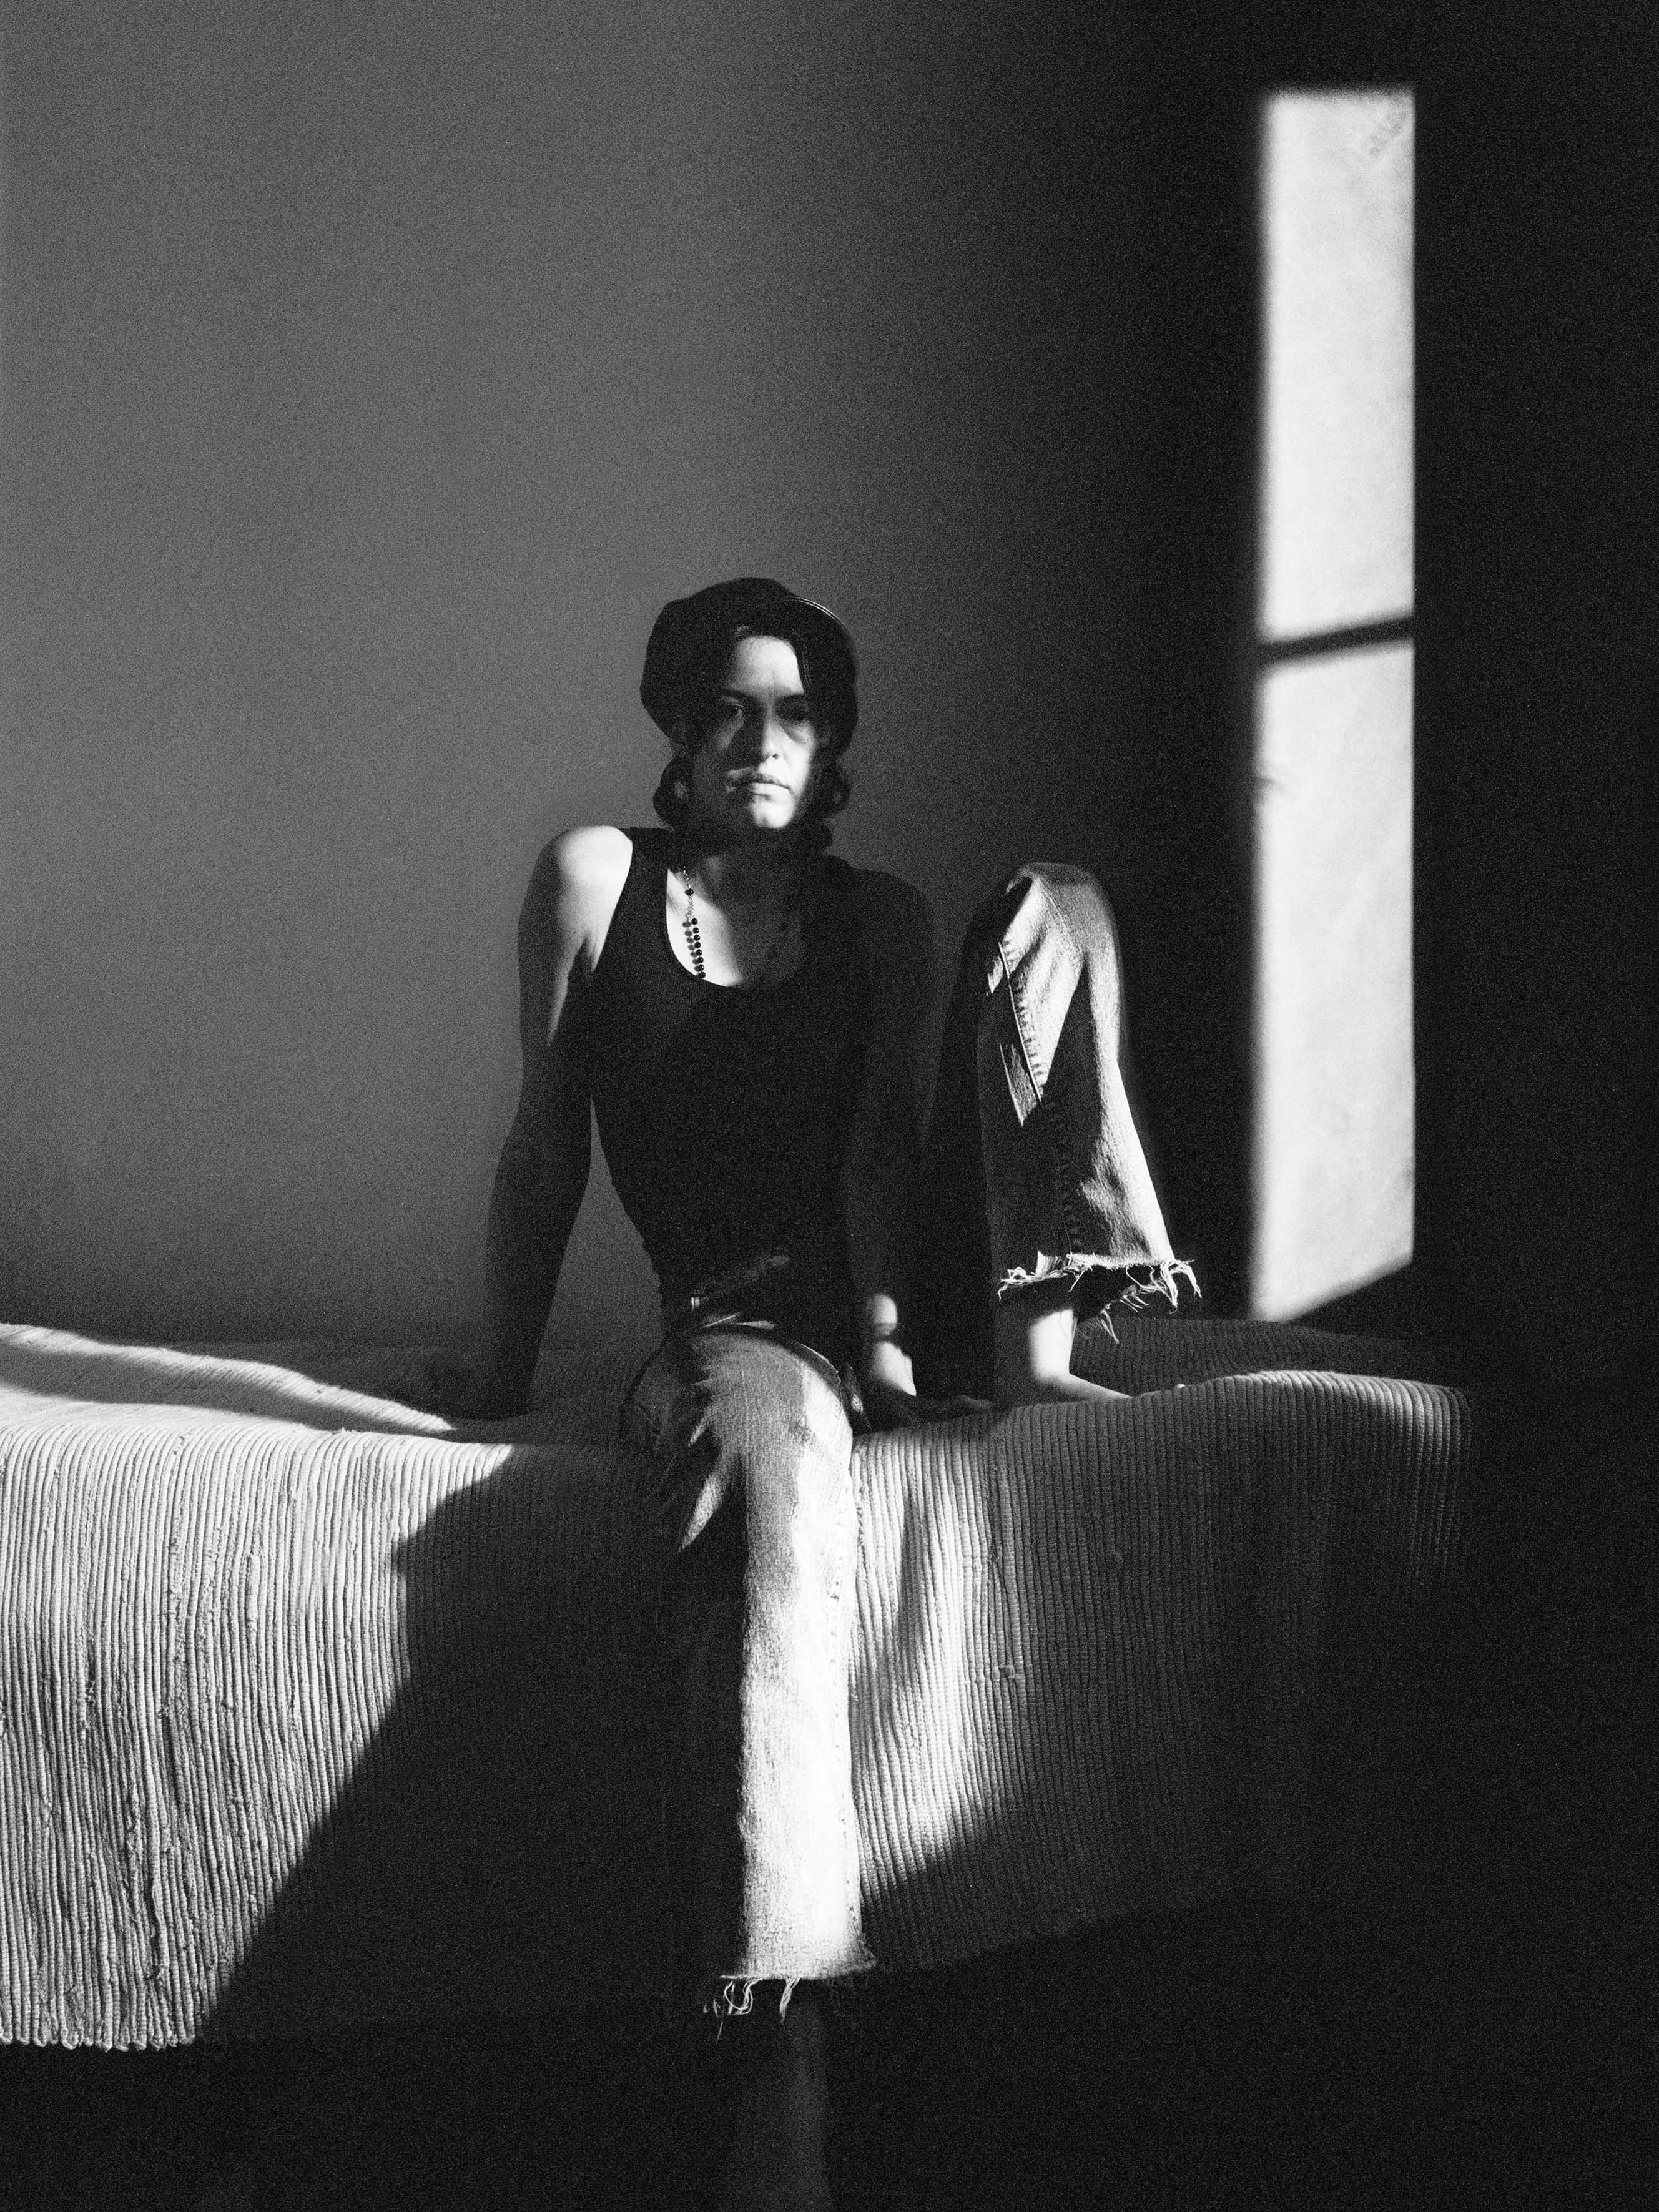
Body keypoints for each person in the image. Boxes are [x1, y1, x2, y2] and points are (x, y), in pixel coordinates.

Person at [431, 577, 1194, 2210]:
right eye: (727, 709)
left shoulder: (887, 923)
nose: (762, 740)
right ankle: (779, 2029)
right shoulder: (595, 880)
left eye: (796, 712)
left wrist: (900, 1359)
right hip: (743, 1321)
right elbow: (545, 1142)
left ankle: (1044, 1355)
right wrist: (497, 1374)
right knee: (768, 1481)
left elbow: (878, 1165)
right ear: (678, 729)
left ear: (834, 737)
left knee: (1055, 900)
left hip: (920, 1292)